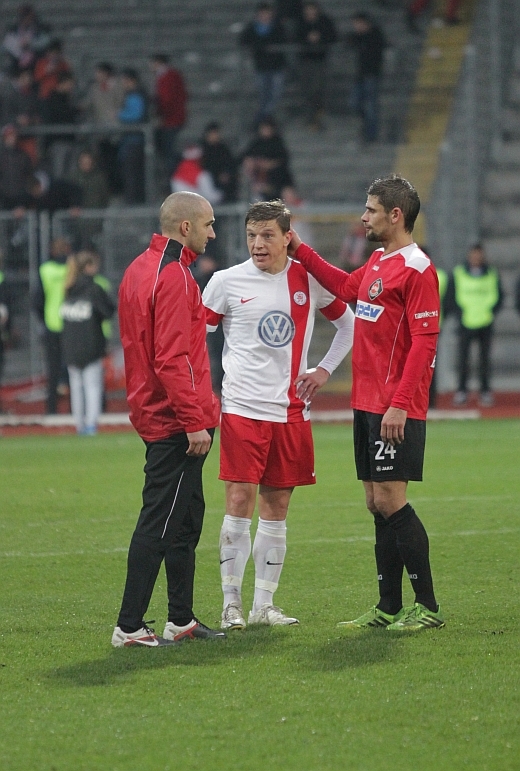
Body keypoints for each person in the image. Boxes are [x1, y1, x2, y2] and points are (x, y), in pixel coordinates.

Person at [289, 174, 445, 632]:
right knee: (376, 503)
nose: (363, 217)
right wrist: (300, 250)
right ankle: (388, 606)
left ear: (395, 215)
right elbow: (344, 287)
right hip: (367, 403)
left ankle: (428, 607)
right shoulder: (378, 261)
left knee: (392, 500)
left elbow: (425, 344)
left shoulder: (417, 269)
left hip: (394, 406)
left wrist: (400, 404)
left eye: (371, 210)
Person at [202, 199, 354, 629]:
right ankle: (231, 604)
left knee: (277, 506)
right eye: (251, 235)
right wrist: (204, 393)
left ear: (288, 237)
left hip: (290, 412)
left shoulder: (307, 279)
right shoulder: (226, 281)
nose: (258, 244)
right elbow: (196, 335)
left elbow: (349, 324)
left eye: (267, 235)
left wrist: (324, 370)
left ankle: (263, 606)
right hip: (242, 409)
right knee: (238, 501)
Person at [112, 191, 223, 647]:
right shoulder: (174, 276)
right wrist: (194, 419)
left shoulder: (140, 268)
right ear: (185, 227)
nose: (212, 233)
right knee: (160, 523)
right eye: (208, 224)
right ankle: (129, 626)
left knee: (185, 521)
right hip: (174, 420)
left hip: (156, 409)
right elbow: (172, 358)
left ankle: (181, 619)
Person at [60, 250, 115, 435]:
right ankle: (91, 424)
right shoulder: (94, 289)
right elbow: (108, 311)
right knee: (92, 386)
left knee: (76, 387)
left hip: (70, 345)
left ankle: (79, 424)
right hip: (91, 344)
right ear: (89, 267)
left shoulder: (68, 287)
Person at [444, 243, 503, 407]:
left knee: (485, 359)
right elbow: (451, 296)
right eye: (474, 255)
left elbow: (499, 295)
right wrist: (460, 313)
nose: (476, 258)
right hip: (465, 322)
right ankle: (462, 391)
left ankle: (485, 391)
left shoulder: (491, 273)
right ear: (469, 256)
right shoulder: (458, 273)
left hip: (485, 321)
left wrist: (491, 311)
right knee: (463, 359)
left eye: (479, 255)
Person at [32, 237, 72, 414]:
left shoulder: (45, 270)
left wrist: (43, 318)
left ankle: (51, 408)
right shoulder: (72, 268)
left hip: (51, 323)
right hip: (71, 323)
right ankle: (74, 407)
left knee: (53, 368)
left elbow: (37, 300)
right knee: (73, 368)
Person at [239, 2, 288, 125]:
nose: (265, 16)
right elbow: (243, 40)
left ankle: (261, 118)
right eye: (262, 13)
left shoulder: (278, 26)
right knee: (263, 95)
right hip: (261, 66)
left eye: (267, 13)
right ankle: (265, 120)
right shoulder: (252, 28)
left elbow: (283, 40)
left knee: (275, 94)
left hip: (277, 66)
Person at [295, 1, 337, 130]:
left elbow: (333, 36)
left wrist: (320, 38)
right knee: (307, 89)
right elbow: (295, 38)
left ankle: (317, 114)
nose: (310, 13)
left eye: (312, 10)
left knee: (317, 88)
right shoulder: (300, 22)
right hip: (305, 60)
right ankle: (310, 117)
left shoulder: (325, 21)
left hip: (320, 60)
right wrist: (307, 39)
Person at [347, 12, 386, 144]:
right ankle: (365, 125)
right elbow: (348, 41)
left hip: (372, 75)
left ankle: (370, 135)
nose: (356, 27)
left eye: (358, 23)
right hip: (360, 76)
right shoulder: (358, 37)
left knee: (371, 106)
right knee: (354, 103)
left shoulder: (375, 35)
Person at [149, 54, 187, 177]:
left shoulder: (167, 76)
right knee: (166, 150)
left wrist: (160, 115)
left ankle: (175, 177)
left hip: (171, 120)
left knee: (168, 152)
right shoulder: (172, 75)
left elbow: (166, 99)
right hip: (173, 118)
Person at [241, 116, 294, 200]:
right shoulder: (256, 143)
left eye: (267, 128)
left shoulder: (277, 142)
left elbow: (283, 159)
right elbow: (245, 156)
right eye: (263, 128)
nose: (265, 131)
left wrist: (269, 164)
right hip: (259, 175)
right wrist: (254, 162)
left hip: (277, 175)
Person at [117, 68, 147, 204]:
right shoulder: (136, 94)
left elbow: (135, 115)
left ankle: (133, 200)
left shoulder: (135, 95)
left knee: (131, 172)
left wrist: (119, 114)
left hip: (134, 140)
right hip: (133, 139)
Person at [201, 122, 238, 203]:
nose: (215, 136)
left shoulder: (223, 148)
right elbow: (204, 166)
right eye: (212, 134)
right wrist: (217, 174)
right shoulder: (203, 149)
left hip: (224, 178)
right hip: (210, 178)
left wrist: (226, 173)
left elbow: (231, 163)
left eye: (216, 133)